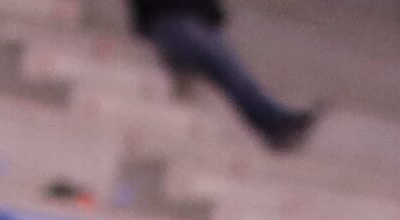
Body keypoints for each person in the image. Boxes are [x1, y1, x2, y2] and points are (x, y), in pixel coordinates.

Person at [128, 0, 318, 149]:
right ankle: (274, 121)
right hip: (171, 22)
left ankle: (275, 119)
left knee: (231, 67)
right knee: (227, 67)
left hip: (192, 22)